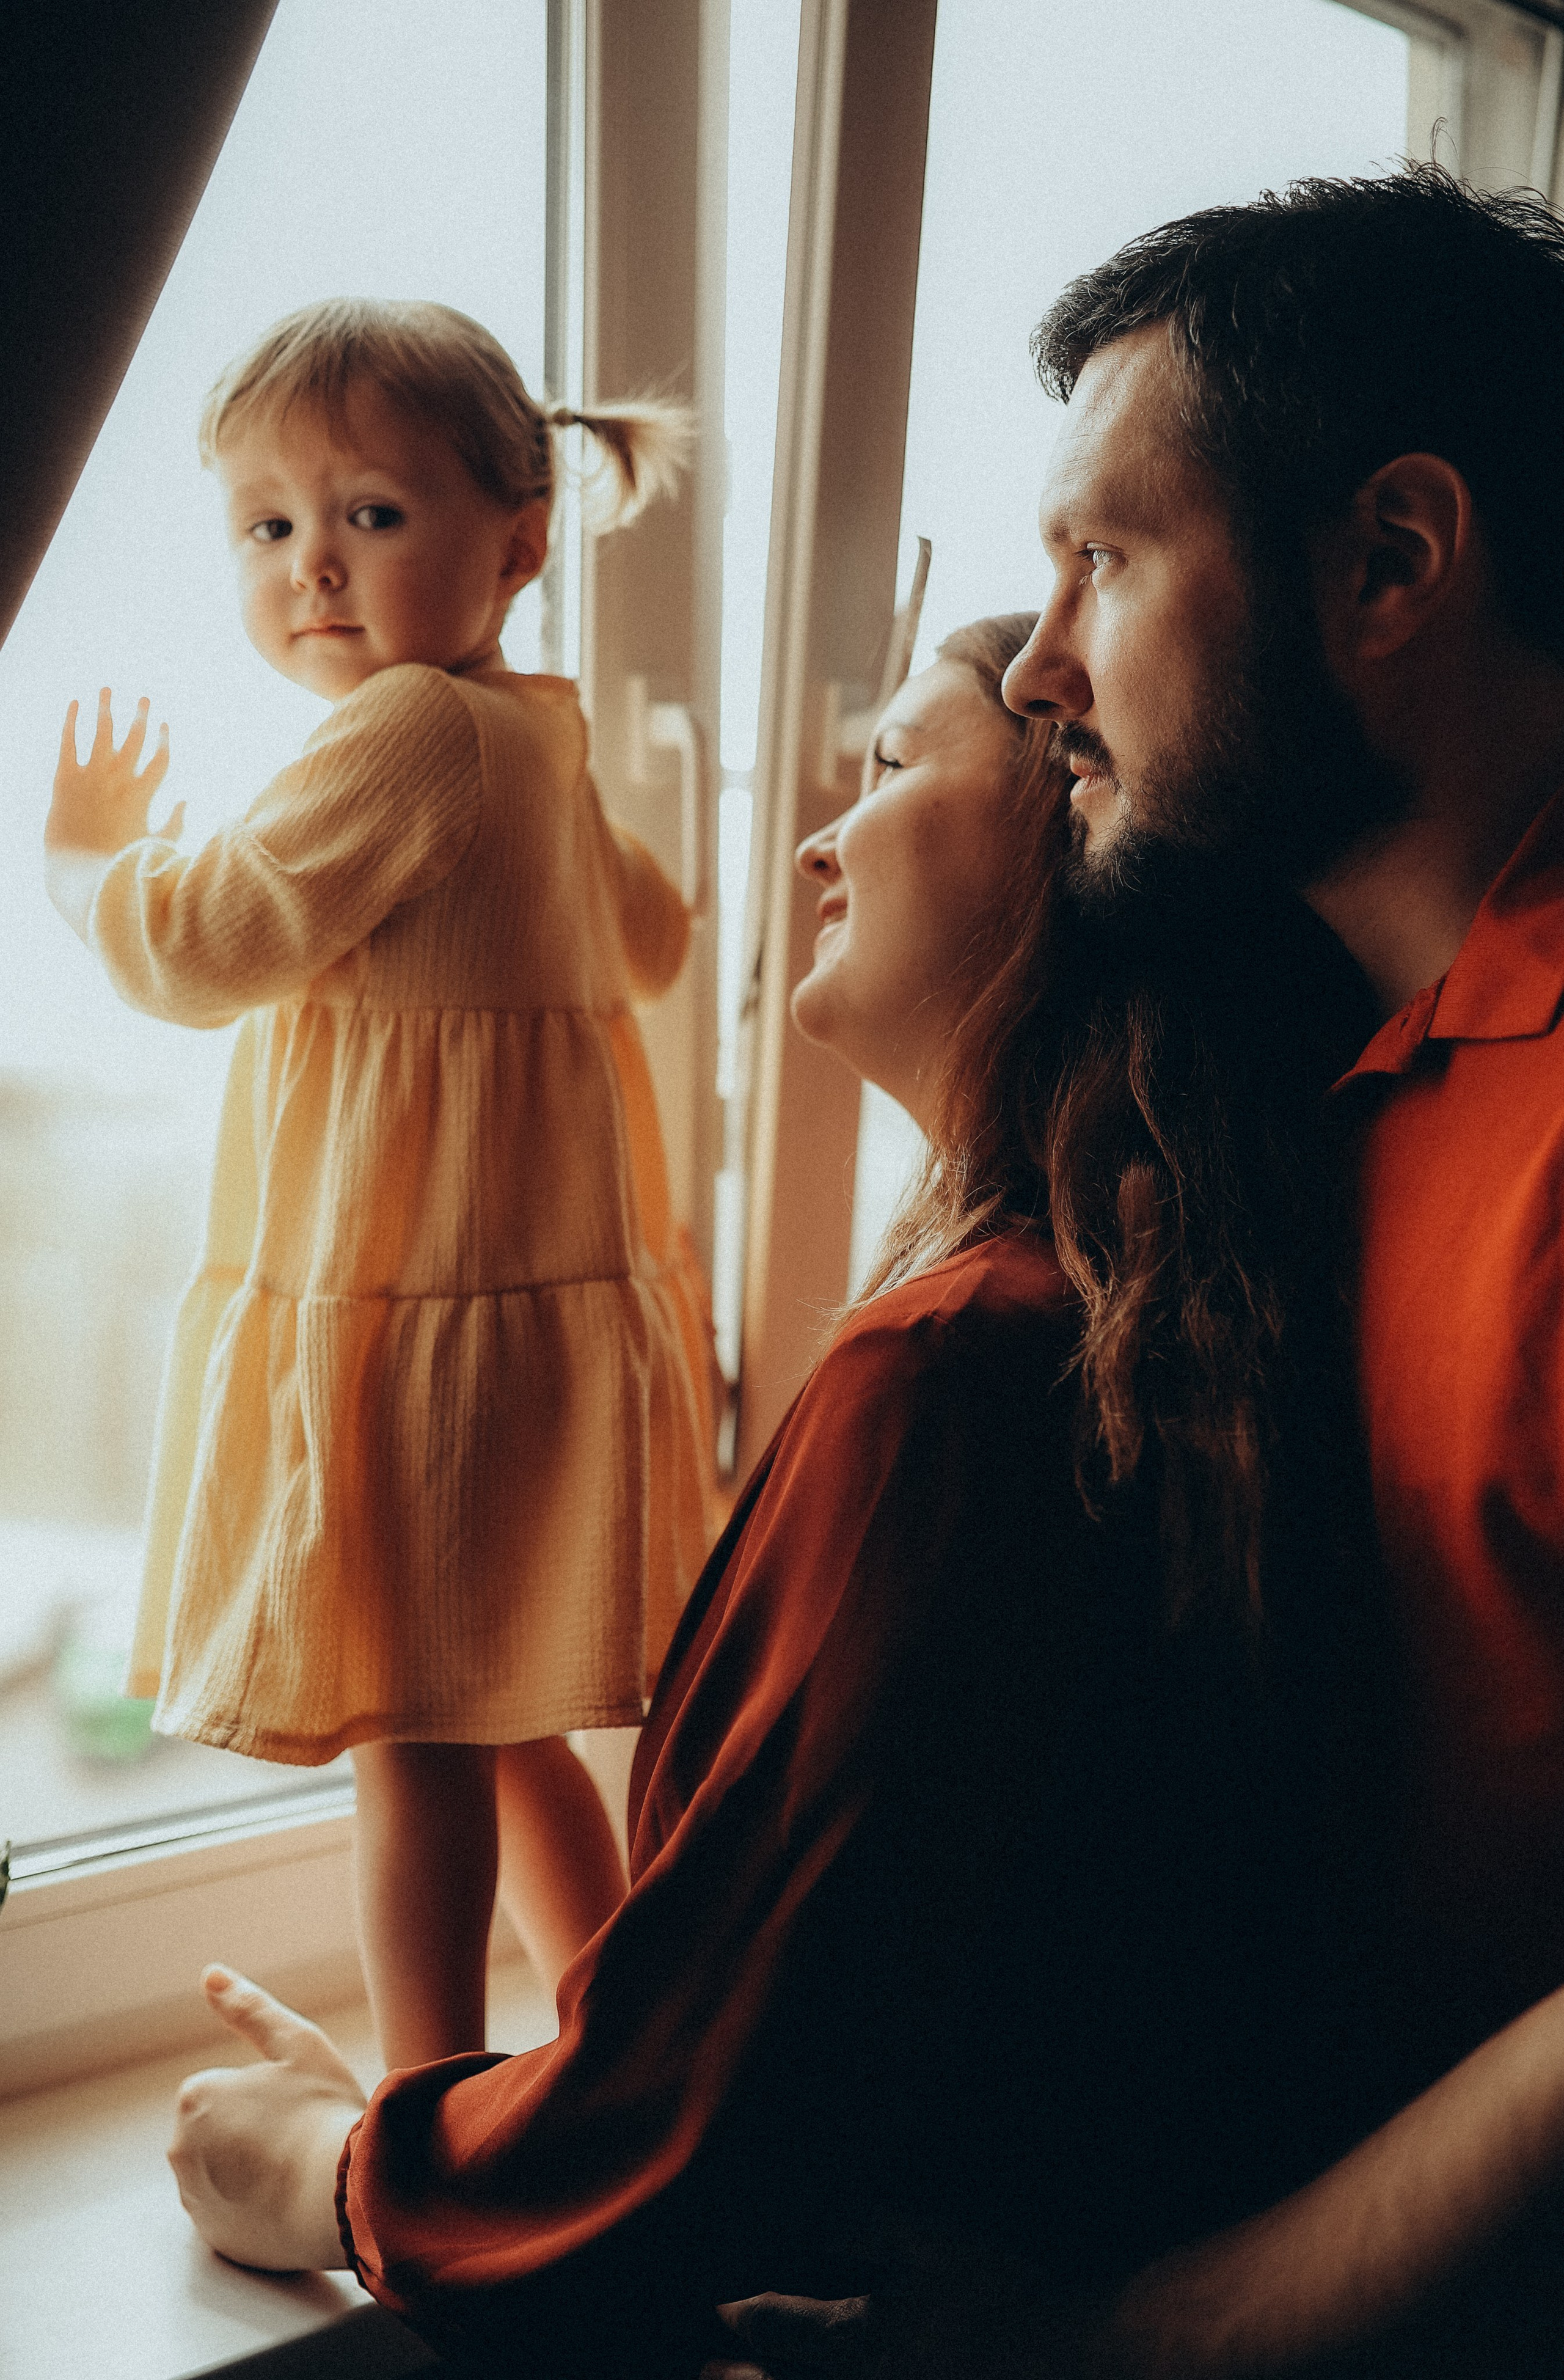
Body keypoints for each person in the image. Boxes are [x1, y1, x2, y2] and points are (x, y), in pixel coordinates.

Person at [164, 617, 1396, 2375]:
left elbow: (724, 2110)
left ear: (1079, 827)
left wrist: (334, 2171)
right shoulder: (1163, 1324)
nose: (824, 837)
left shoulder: (966, 1374)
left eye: (892, 768)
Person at [711, 164, 1564, 2376]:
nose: (1052, 668)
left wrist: (1154, 2338)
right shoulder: (1356, 1084)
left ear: (1390, 557)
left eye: (1103, 554)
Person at [42, 298, 714, 2064]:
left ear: (521, 544)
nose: (312, 572)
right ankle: (624, 2040)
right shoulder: (539, 736)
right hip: (526, 1310)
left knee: (414, 1747)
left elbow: (200, 947)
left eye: (370, 516)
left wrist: (90, 860)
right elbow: (653, 937)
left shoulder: (407, 733)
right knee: (513, 1719)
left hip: (417, 1318)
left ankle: (424, 2110)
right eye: (268, 528)